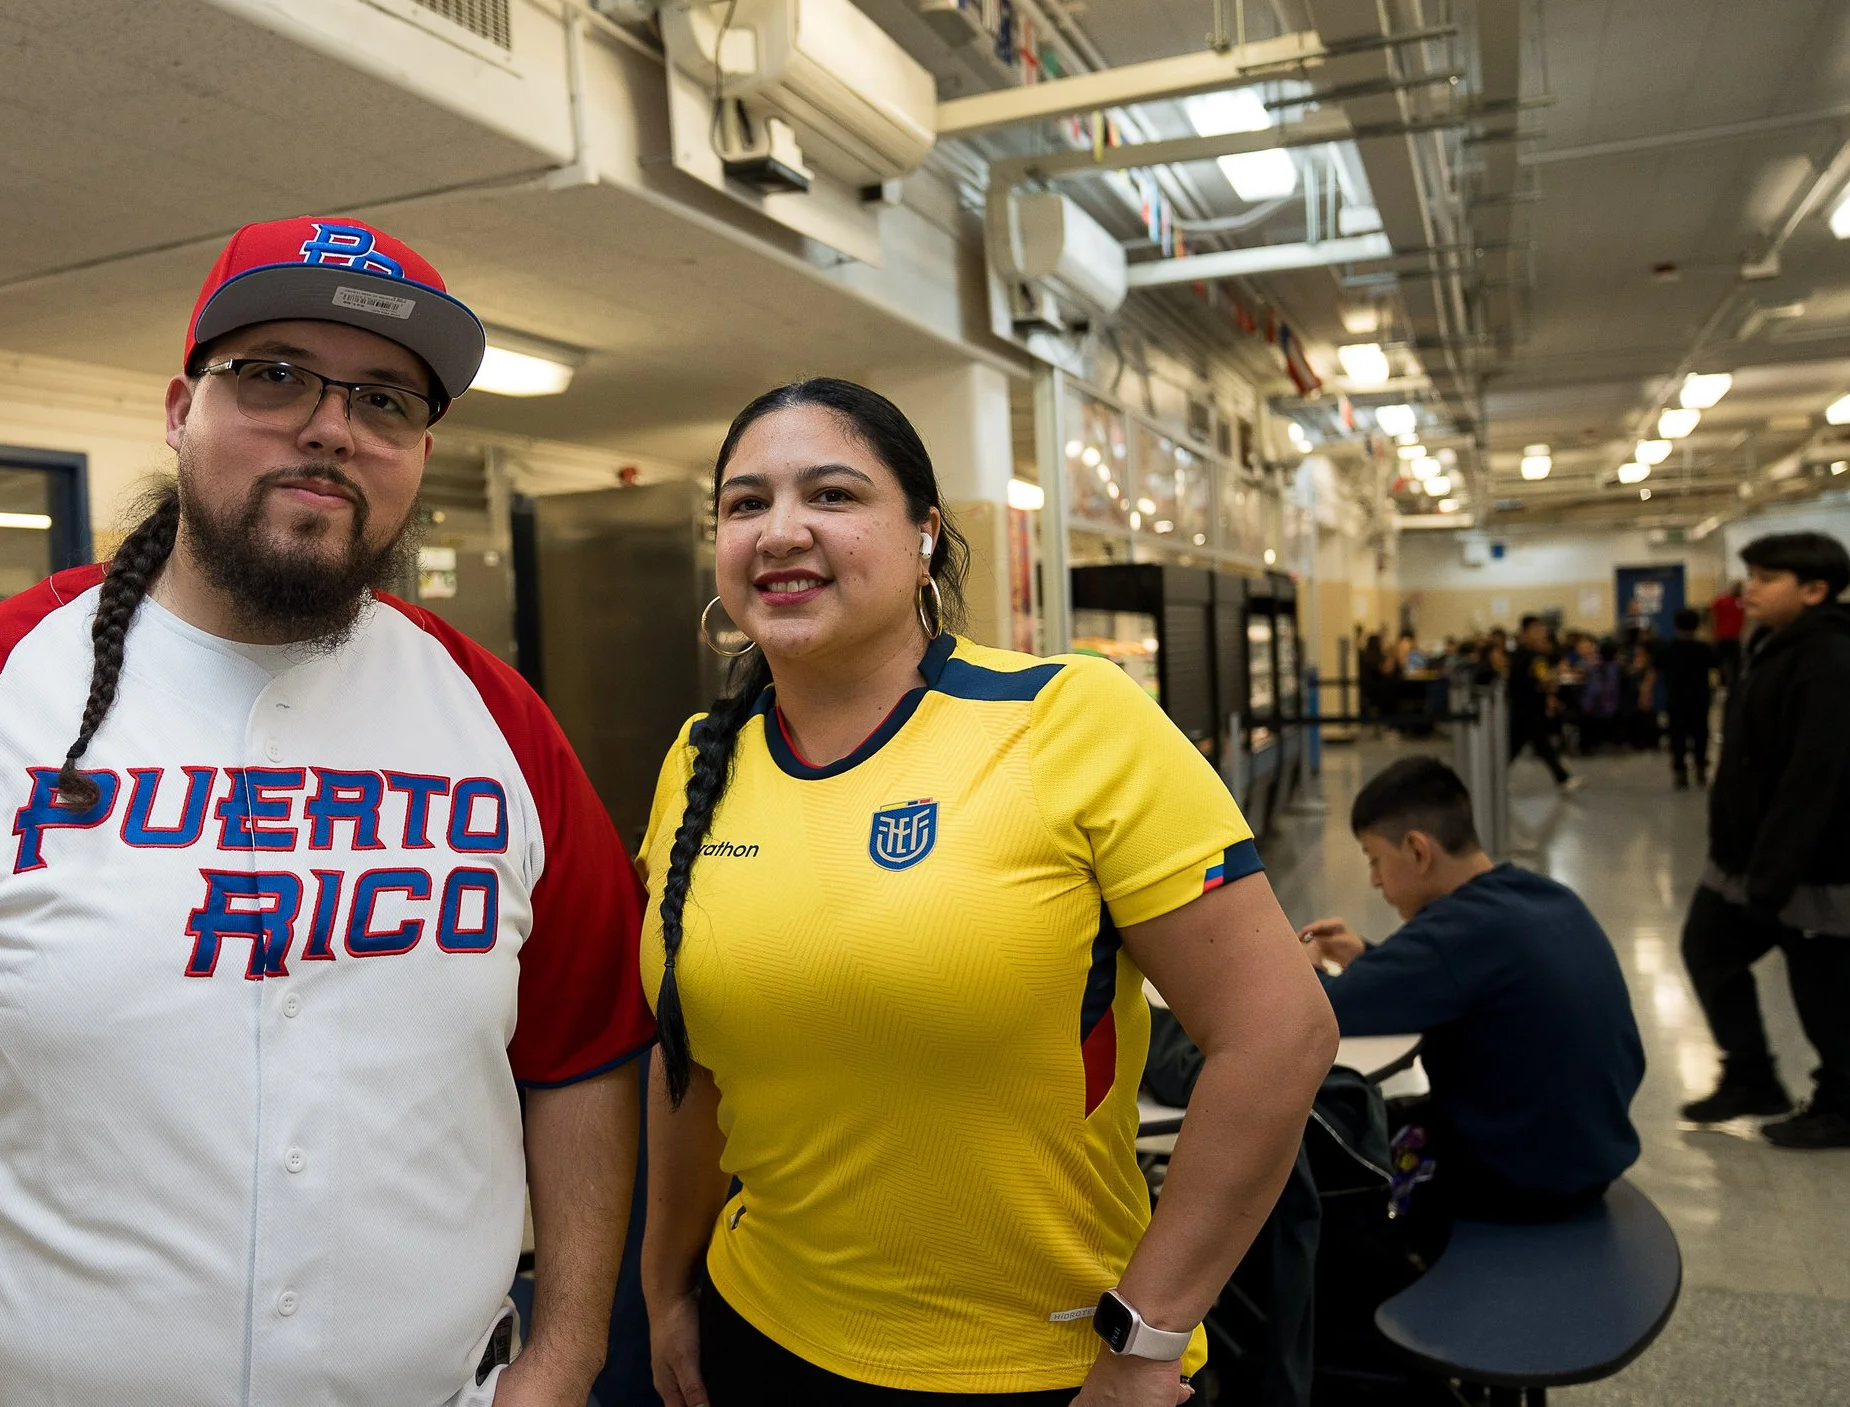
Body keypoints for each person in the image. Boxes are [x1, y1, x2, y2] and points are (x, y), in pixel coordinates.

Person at [0, 217, 653, 1406]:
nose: (330, 425)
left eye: (385, 400)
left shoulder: (497, 721)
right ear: (178, 410)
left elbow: (581, 1062)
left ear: (421, 450)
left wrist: (565, 1355)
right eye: (272, 375)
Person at [637, 379, 1337, 1407]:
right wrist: (663, 1288)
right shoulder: (699, 759)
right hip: (759, 1330)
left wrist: (1146, 1343)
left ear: (924, 534)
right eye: (745, 505)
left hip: (1045, 1368)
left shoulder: (1065, 718)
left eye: (830, 495)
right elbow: (687, 1065)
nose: (780, 531)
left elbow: (1279, 1038)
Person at [1299, 757, 1642, 1232]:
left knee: (1324, 1147)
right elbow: (1452, 980)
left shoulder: (1451, 933)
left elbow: (1320, 1011)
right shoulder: (1539, 895)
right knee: (1372, 1119)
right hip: (1582, 1150)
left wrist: (1306, 965)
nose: (1375, 880)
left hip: (1516, 1178)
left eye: (1374, 859)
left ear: (1418, 850)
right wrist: (1369, 957)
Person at [1679, 531, 1850, 1149]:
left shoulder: (1834, 660)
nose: (1749, 588)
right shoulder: (1773, 645)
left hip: (1816, 863)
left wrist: (1774, 874)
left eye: (1766, 577)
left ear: (1814, 590)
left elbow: (1814, 780)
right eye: (1751, 575)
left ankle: (1849, 1106)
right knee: (1707, 948)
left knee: (1828, 984)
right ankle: (1753, 1075)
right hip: (1745, 856)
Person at [1505, 616, 1576, 790]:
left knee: (1533, 745)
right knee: (1532, 745)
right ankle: (1563, 778)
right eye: (1536, 630)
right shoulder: (1526, 655)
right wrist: (1556, 673)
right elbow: (1543, 678)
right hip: (1525, 708)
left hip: (1531, 707)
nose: (1541, 634)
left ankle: (1562, 778)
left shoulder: (1533, 655)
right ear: (1525, 633)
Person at [1658, 606, 1719, 788]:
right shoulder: (1705, 648)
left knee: (1677, 734)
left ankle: (1680, 772)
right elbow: (1716, 672)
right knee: (1701, 733)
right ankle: (1701, 769)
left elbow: (1654, 674)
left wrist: (1646, 695)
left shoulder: (1668, 649)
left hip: (1676, 698)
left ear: (1675, 625)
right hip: (1699, 698)